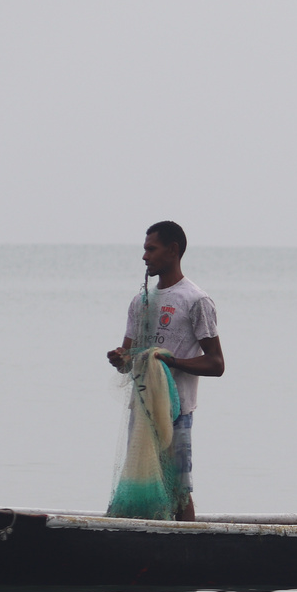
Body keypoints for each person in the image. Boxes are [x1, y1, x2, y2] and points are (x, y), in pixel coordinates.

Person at [106, 221, 224, 521]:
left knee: (179, 489)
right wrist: (120, 358)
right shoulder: (141, 301)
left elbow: (216, 363)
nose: (145, 257)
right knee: (143, 483)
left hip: (177, 411)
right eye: (144, 250)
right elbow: (129, 358)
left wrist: (172, 362)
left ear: (173, 251)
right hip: (143, 408)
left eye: (151, 249)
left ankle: (187, 548)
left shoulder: (195, 300)